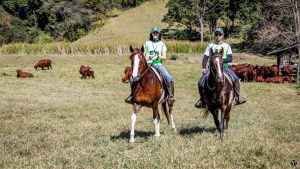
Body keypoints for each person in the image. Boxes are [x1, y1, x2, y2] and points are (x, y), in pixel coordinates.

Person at [195, 28, 246, 108]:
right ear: (214, 36)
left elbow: (230, 58)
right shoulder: (210, 45)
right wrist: (204, 67)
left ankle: (237, 97)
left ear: (222, 36)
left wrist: (219, 61)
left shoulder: (226, 46)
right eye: (216, 34)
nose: (218, 36)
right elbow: (205, 57)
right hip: (212, 68)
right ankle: (202, 100)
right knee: (200, 82)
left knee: (236, 79)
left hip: (224, 67)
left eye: (220, 34)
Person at [125, 26, 175, 104]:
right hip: (147, 64)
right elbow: (143, 55)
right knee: (132, 78)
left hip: (158, 64)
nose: (155, 34)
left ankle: (170, 95)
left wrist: (157, 56)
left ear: (159, 34)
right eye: (154, 33)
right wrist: (148, 57)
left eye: (156, 33)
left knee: (168, 77)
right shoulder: (147, 43)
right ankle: (132, 95)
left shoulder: (162, 44)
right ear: (151, 34)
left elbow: (164, 57)